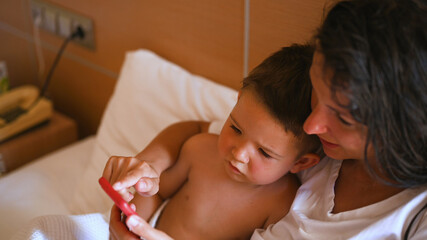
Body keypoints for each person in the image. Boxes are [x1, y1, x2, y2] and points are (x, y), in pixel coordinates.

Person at [106, 0, 427, 239]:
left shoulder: (414, 219)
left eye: (342, 117)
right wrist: (147, 167)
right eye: (318, 90)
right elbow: (195, 133)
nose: (312, 125)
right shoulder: (289, 130)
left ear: (401, 129)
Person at [103, 44, 321, 239]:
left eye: (264, 152)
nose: (239, 154)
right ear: (236, 103)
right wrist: (131, 225)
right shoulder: (200, 150)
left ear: (300, 163)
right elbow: (157, 192)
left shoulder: (282, 204)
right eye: (236, 128)